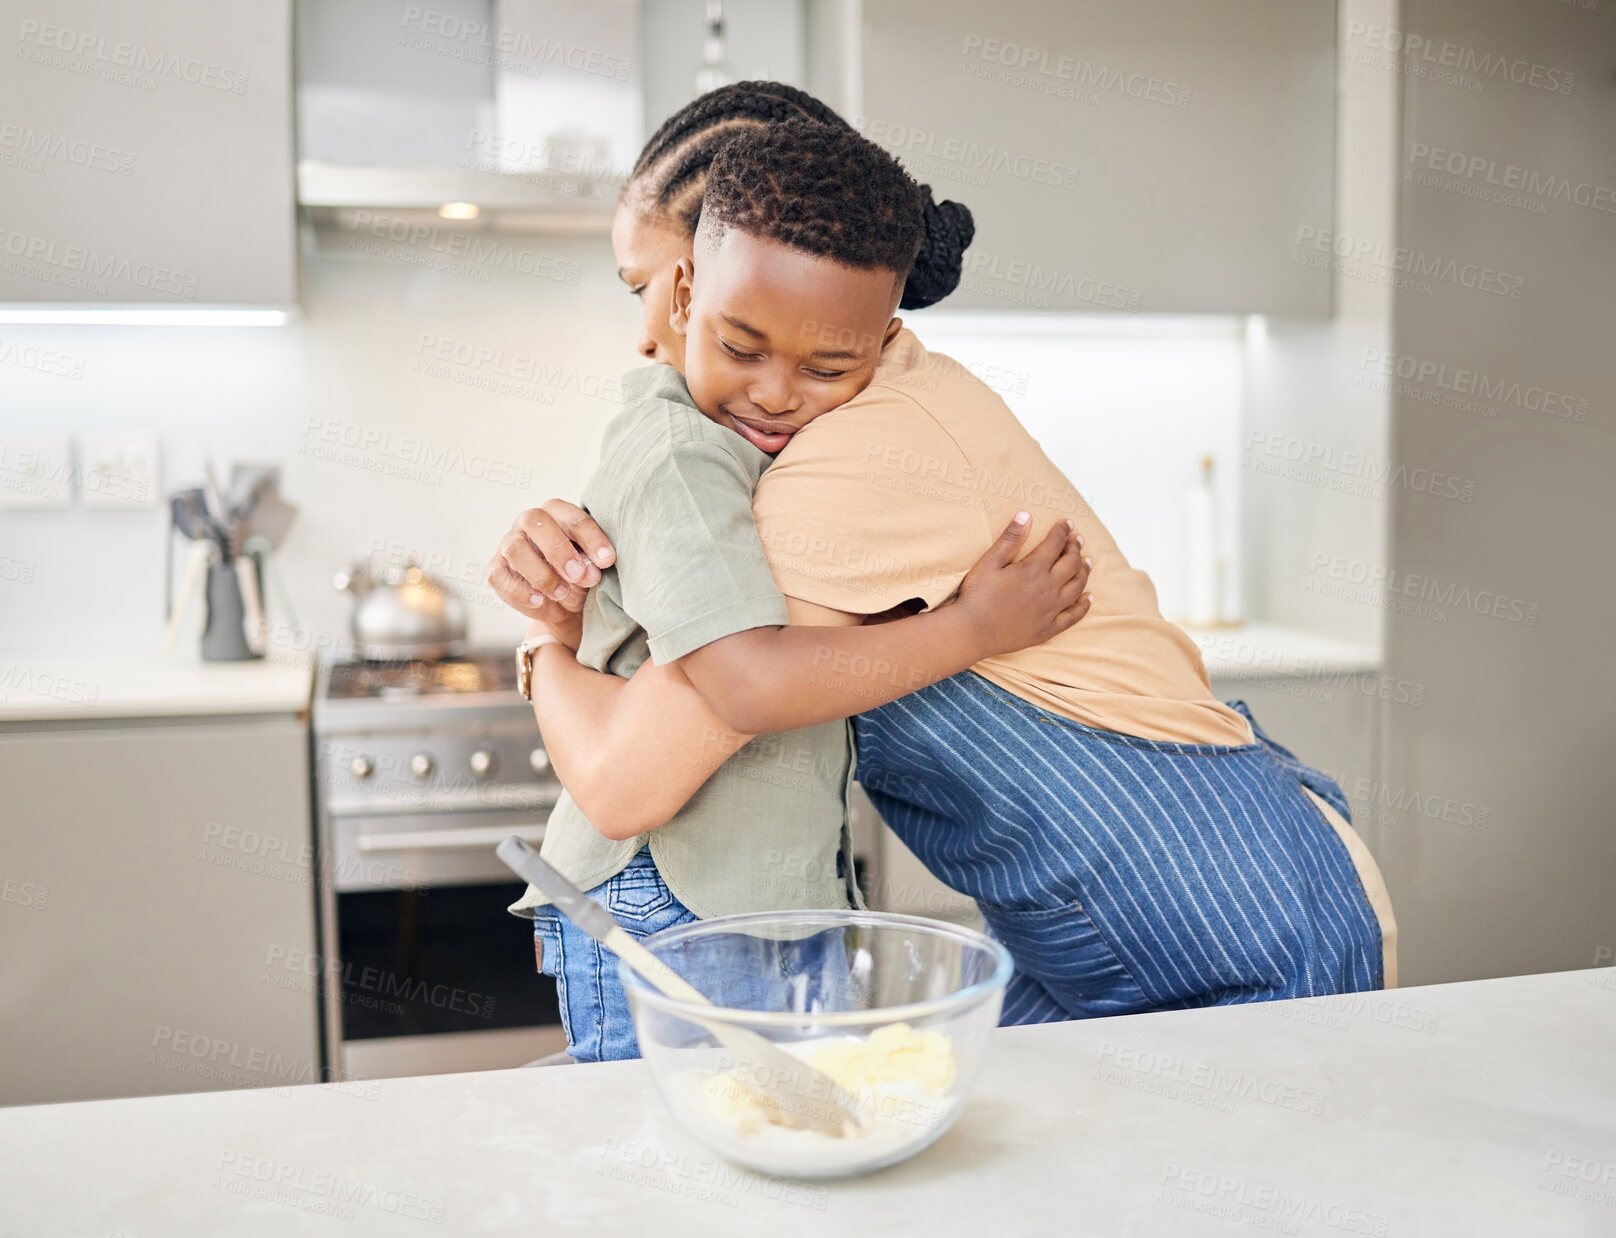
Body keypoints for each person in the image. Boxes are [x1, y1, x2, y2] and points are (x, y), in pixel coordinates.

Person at [492, 93, 1398, 1033]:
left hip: (1224, 917)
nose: (644, 337)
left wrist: (546, 638)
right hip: (1144, 909)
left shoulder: (843, 461)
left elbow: (624, 780)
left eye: (645, 285)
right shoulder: (845, 409)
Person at [499, 114, 1088, 1063]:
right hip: (667, 905)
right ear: (686, 297)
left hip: (756, 902)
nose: (777, 393)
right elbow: (746, 684)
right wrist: (975, 625)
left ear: (883, 343)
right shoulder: (678, 457)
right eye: (743, 348)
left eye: (826, 368)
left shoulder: (777, 459)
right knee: (686, 1184)